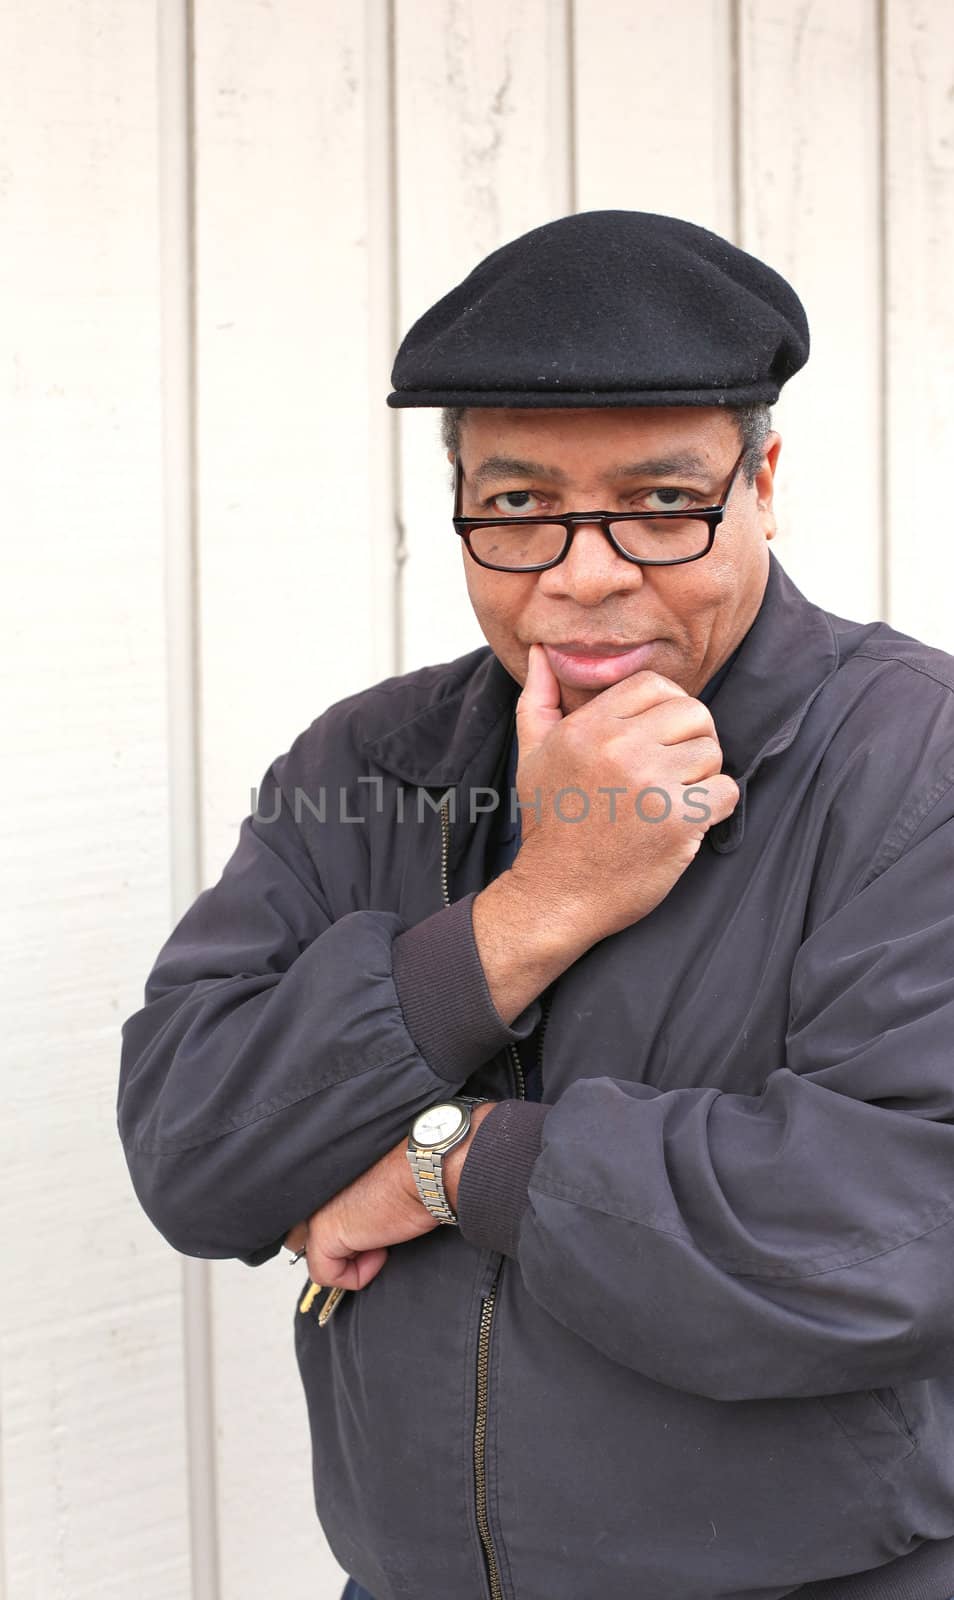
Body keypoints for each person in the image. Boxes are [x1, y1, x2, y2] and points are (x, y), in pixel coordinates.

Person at [118, 211, 954, 1600]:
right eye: (517, 508)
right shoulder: (364, 764)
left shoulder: (913, 763)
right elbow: (195, 1153)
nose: (583, 570)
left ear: (763, 481)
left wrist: (455, 1163)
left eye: (659, 501)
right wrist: (538, 908)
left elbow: (894, 1237)